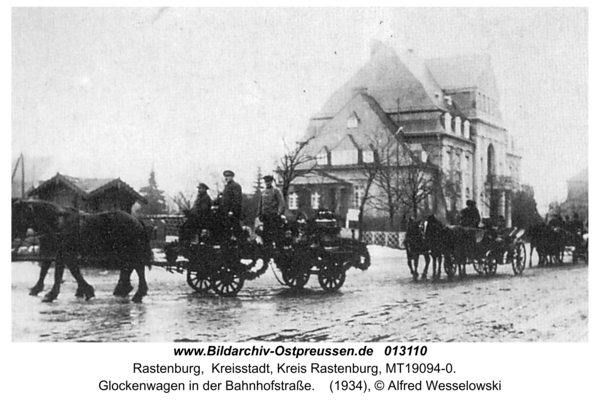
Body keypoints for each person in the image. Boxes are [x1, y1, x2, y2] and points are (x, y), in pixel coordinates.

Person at [257, 175, 286, 244]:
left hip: (273, 215)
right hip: (265, 216)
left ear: (272, 181)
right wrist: (259, 213)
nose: (267, 183)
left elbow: (281, 202)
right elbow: (260, 204)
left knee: (274, 233)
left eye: (269, 181)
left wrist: (279, 212)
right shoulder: (263, 192)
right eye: (266, 181)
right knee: (265, 234)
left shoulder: (276, 191)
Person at [220, 170, 243, 237]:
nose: (226, 178)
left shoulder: (235, 186)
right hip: (226, 212)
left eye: (228, 176)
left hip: (233, 213)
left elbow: (236, 200)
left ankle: (241, 243)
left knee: (235, 229)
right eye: (225, 176)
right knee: (227, 230)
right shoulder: (226, 187)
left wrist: (232, 210)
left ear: (232, 177)